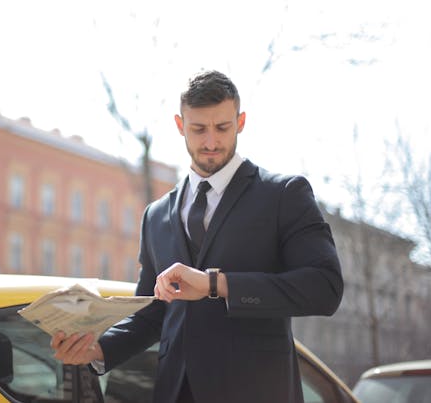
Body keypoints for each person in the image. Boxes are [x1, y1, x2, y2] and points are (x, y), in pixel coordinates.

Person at [51, 70, 344, 403]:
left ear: (241, 121)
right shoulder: (156, 215)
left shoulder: (283, 195)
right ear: (179, 126)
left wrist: (215, 283)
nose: (210, 142)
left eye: (222, 127)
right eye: (198, 129)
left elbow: (325, 287)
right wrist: (96, 349)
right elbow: (151, 313)